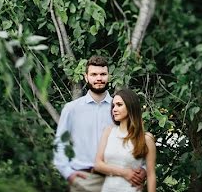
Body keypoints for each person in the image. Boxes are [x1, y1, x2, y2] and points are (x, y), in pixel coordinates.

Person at [53, 56, 145, 192]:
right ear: (86, 77)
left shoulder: (121, 107)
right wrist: (69, 174)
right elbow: (60, 144)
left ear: (109, 76)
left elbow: (138, 139)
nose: (99, 78)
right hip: (84, 179)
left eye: (103, 74)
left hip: (119, 179)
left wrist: (143, 168)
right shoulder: (71, 109)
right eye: (94, 74)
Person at [93, 88, 156, 192]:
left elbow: (151, 175)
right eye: (113, 106)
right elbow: (98, 164)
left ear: (130, 106)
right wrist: (124, 173)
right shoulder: (108, 132)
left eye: (119, 105)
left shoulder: (146, 138)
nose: (114, 109)